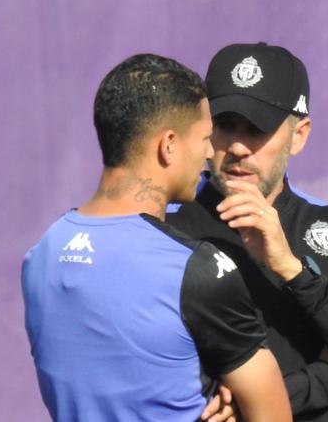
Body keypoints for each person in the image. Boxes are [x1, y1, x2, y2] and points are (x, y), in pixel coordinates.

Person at [21, 53, 291, 422]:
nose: (212, 153)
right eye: (205, 138)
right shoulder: (194, 268)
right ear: (168, 145)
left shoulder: (42, 254)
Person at [166, 43, 328, 421]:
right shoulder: (166, 233)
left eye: (256, 129)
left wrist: (294, 271)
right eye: (225, 125)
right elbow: (205, 409)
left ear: (298, 135)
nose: (237, 146)